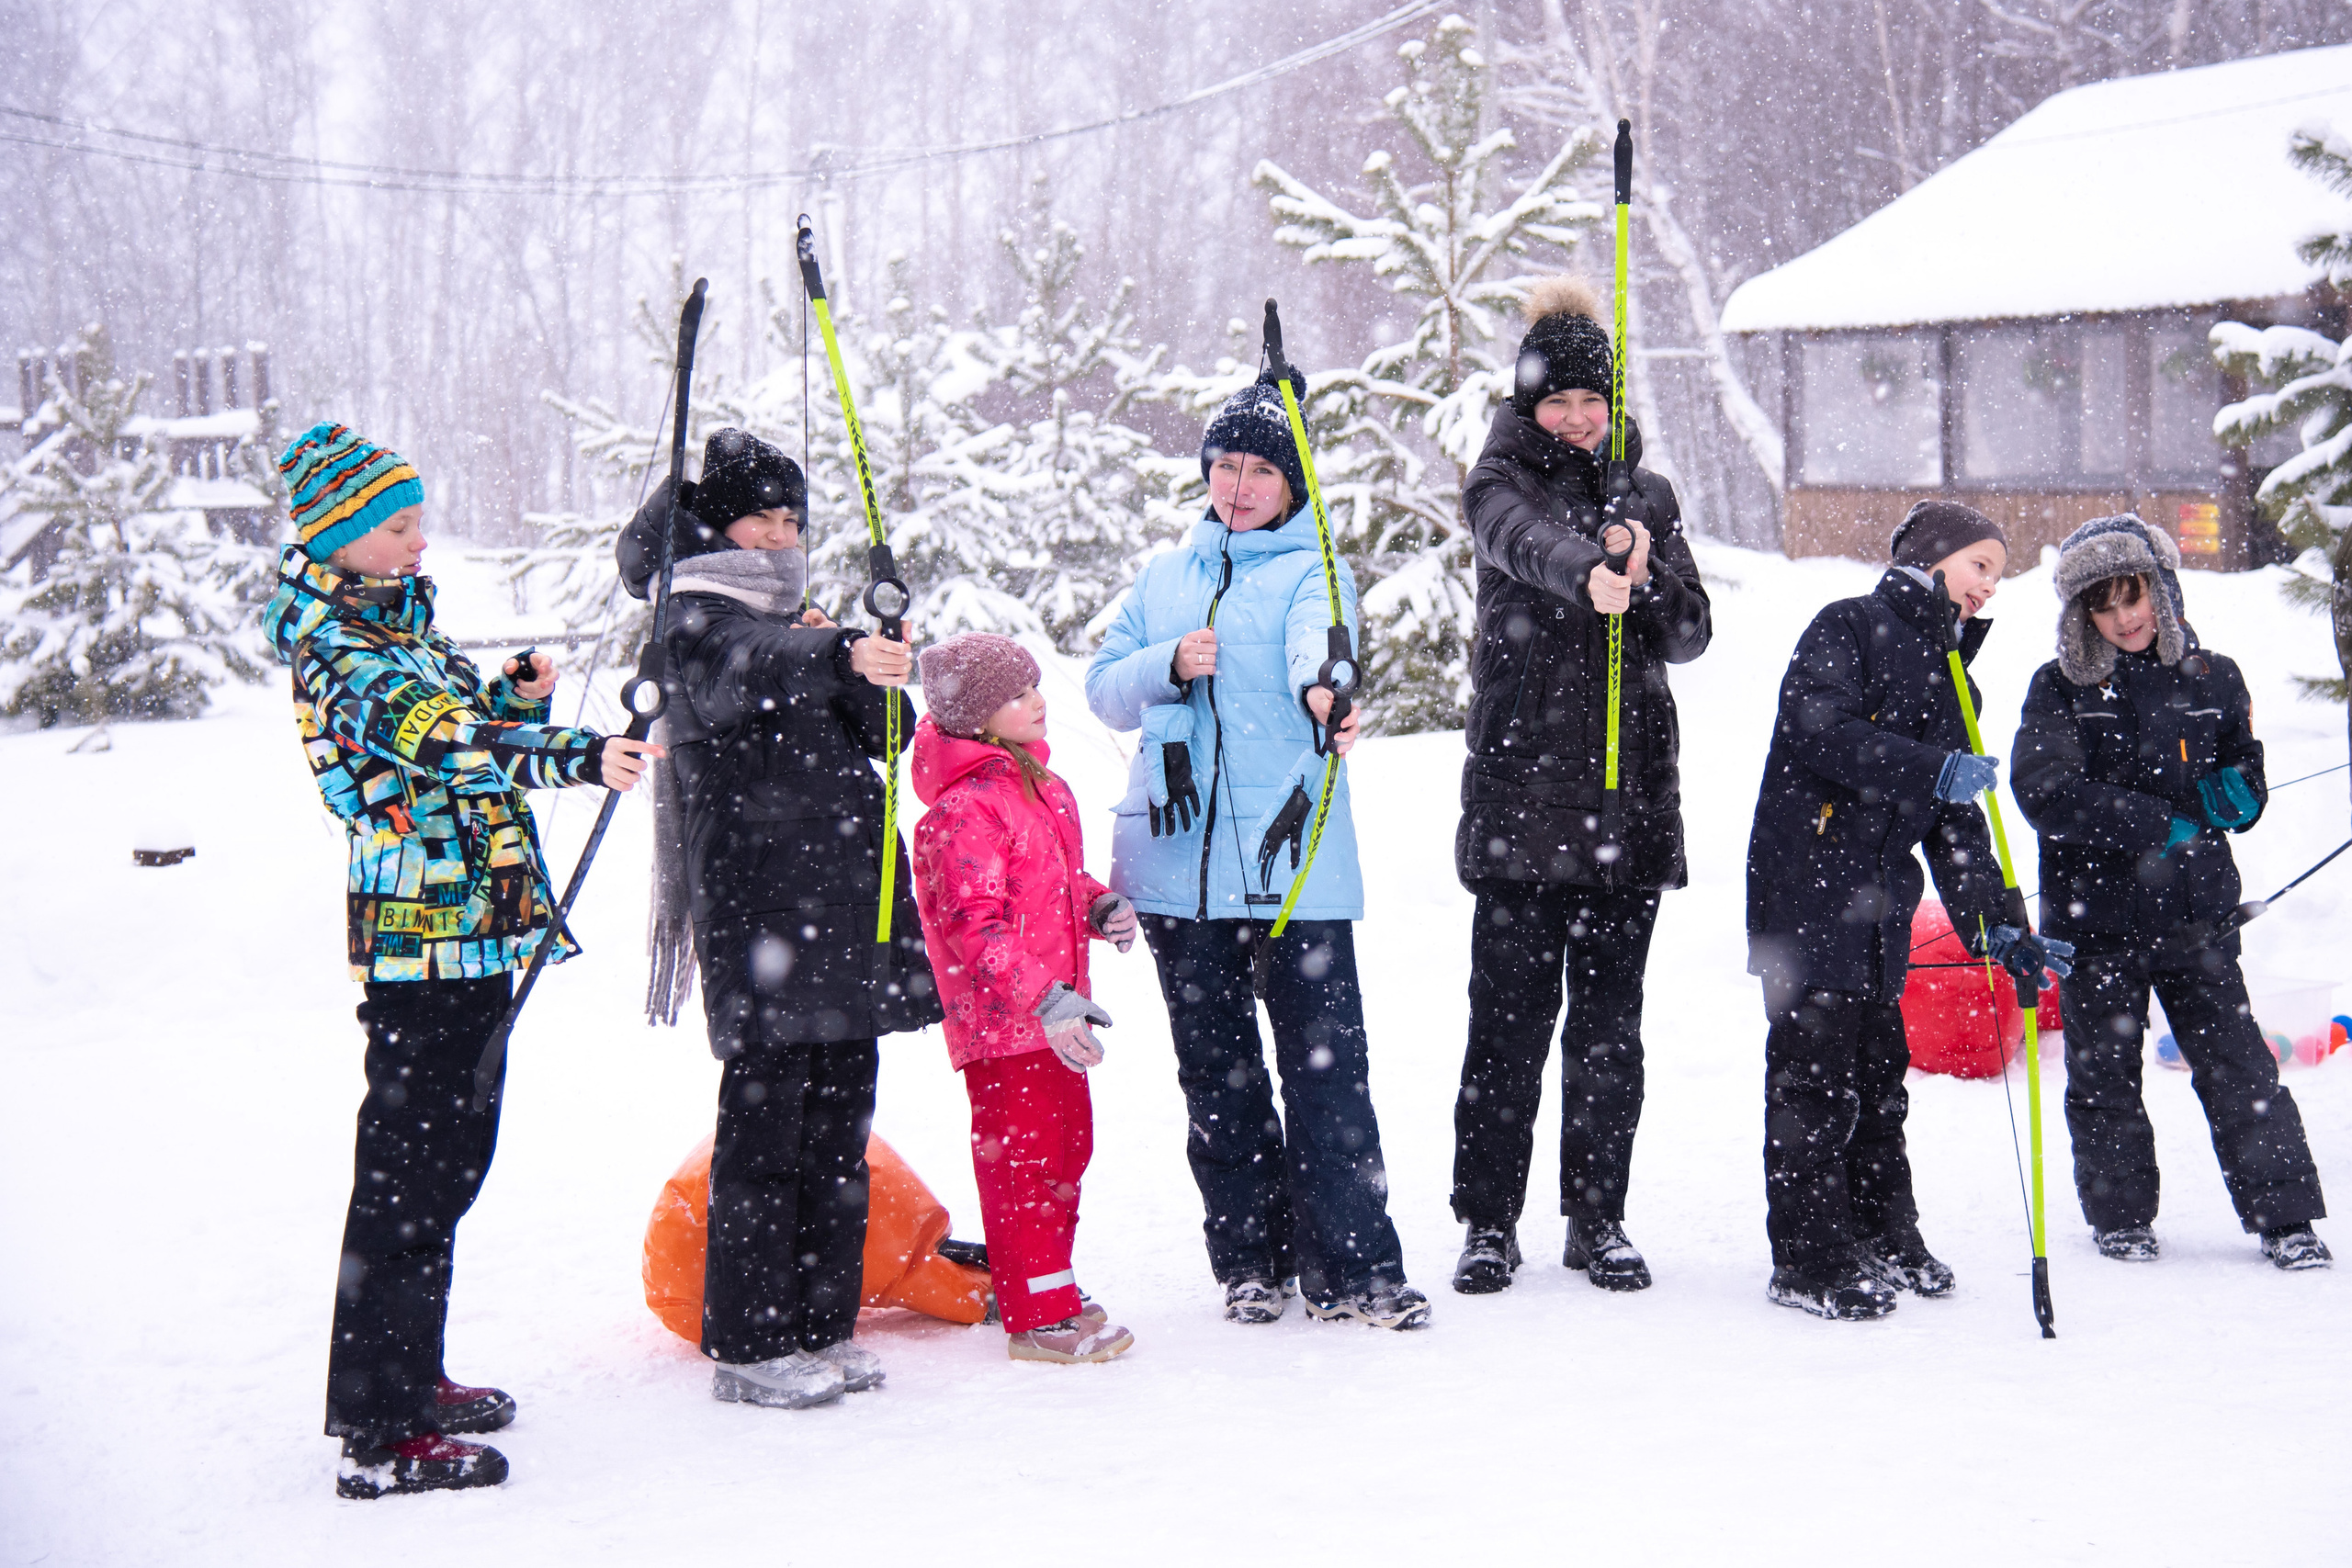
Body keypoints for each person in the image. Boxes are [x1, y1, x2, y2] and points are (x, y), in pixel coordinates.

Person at [263, 423, 662, 1499]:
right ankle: (382, 1433)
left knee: (445, 1172)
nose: (416, 539)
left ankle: (412, 1378)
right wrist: (575, 751)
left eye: (415, 518)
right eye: (394, 525)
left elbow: (472, 738)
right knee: (406, 1183)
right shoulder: (340, 647)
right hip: (419, 942)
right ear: (337, 535)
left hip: (471, 931)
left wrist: (522, 703)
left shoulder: (395, 626)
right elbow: (437, 740)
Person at [1085, 371, 1429, 1331]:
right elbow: (1104, 687)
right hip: (1175, 871)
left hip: (1291, 868)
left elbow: (1321, 652)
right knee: (1217, 1080)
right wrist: (1167, 664)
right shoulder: (1163, 578)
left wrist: (1329, 697)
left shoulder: (1316, 566)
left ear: (1292, 483)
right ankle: (1251, 1262)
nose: (1238, 484)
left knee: (1326, 1073)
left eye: (1259, 469)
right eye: (1225, 465)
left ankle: (1357, 1269)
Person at [624, 428, 941, 1411]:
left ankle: (819, 1321)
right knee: (766, 1132)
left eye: (793, 518)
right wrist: (834, 649)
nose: (777, 532)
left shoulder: (798, 623)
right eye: (761, 514)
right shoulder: (694, 620)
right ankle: (752, 1341)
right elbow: (743, 668)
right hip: (762, 910)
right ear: (717, 523)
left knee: (840, 1126)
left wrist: (870, 669)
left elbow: (888, 737)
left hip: (845, 902)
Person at [1447, 276, 1713, 1296]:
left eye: (1589, 403)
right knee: (1506, 1026)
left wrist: (1644, 576)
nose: (1574, 418)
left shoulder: (1643, 495)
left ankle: (1596, 1216)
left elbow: (1688, 635)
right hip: (1523, 801)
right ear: (1528, 404)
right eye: (1556, 401)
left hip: (1626, 803)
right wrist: (1585, 570)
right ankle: (1486, 1220)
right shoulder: (1497, 479)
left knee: (1610, 1033)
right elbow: (1517, 539)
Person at [1743, 500, 2072, 1320]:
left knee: (1878, 1088)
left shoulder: (1956, 675)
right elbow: (1818, 728)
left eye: (1996, 573)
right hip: (1809, 898)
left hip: (1880, 918)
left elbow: (1958, 829)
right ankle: (1809, 1258)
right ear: (1931, 559)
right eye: (1981, 567)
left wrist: (2001, 929)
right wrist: (1930, 768)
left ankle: (1882, 1232)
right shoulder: (1848, 626)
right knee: (1813, 1089)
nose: (1991, 588)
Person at [2011, 514, 2329, 1270]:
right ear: (2082, 614)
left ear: (2163, 588)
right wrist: (2159, 822)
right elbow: (2045, 792)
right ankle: (2120, 1216)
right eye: (2104, 604)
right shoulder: (2058, 688)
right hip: (2097, 921)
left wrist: (2237, 799)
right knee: (2103, 1076)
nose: (2125, 617)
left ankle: (2285, 1219)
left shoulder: (2215, 676)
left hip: (2198, 916)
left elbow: (2246, 773)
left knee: (2242, 1071)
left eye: (2135, 595)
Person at [910, 632, 1141, 1362]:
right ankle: (1034, 1314)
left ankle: (1050, 1286)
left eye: (1035, 686)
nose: (1037, 701)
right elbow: (973, 924)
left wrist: (1098, 907)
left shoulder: (1040, 786)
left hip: (1056, 1014)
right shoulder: (963, 811)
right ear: (976, 717)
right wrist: (1045, 998)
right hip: (1006, 1024)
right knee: (1024, 1163)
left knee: (1069, 1151)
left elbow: (1055, 884)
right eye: (1016, 695)